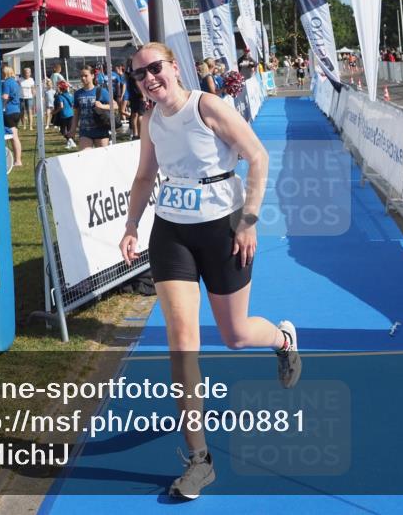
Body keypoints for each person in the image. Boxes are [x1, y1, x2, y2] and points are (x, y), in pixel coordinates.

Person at [119, 42, 300, 500]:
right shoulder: (150, 121)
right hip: (172, 233)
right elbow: (144, 177)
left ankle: (283, 340)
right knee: (182, 342)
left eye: (154, 68)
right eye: (139, 75)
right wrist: (130, 226)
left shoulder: (207, 106)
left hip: (224, 228)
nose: (149, 79)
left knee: (235, 334)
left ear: (173, 67)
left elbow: (257, 156)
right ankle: (200, 459)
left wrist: (250, 219)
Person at [72, 67, 114, 149]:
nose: (83, 78)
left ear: (92, 76)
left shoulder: (101, 91)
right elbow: (76, 113)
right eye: (81, 76)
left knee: (102, 158)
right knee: (85, 156)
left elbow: (115, 106)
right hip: (85, 132)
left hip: (101, 130)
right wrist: (73, 129)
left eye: (85, 75)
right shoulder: (77, 93)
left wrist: (102, 106)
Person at [1, 65, 23, 168]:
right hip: (17, 111)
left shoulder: (6, 82)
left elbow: (5, 96)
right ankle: (17, 160)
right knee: (15, 136)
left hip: (9, 111)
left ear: (5, 73)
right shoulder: (15, 82)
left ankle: (17, 161)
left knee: (13, 137)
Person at [125, 57, 146, 140]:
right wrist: (143, 94)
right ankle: (141, 134)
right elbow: (138, 82)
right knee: (141, 115)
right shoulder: (135, 71)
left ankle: (135, 134)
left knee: (134, 115)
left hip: (132, 95)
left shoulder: (127, 72)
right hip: (138, 95)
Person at [52, 81, 76, 149]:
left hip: (64, 115)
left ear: (60, 88)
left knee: (62, 130)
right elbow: (73, 103)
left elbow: (61, 106)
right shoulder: (70, 95)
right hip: (71, 114)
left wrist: (54, 112)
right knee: (69, 130)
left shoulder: (60, 96)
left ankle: (70, 141)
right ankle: (70, 143)